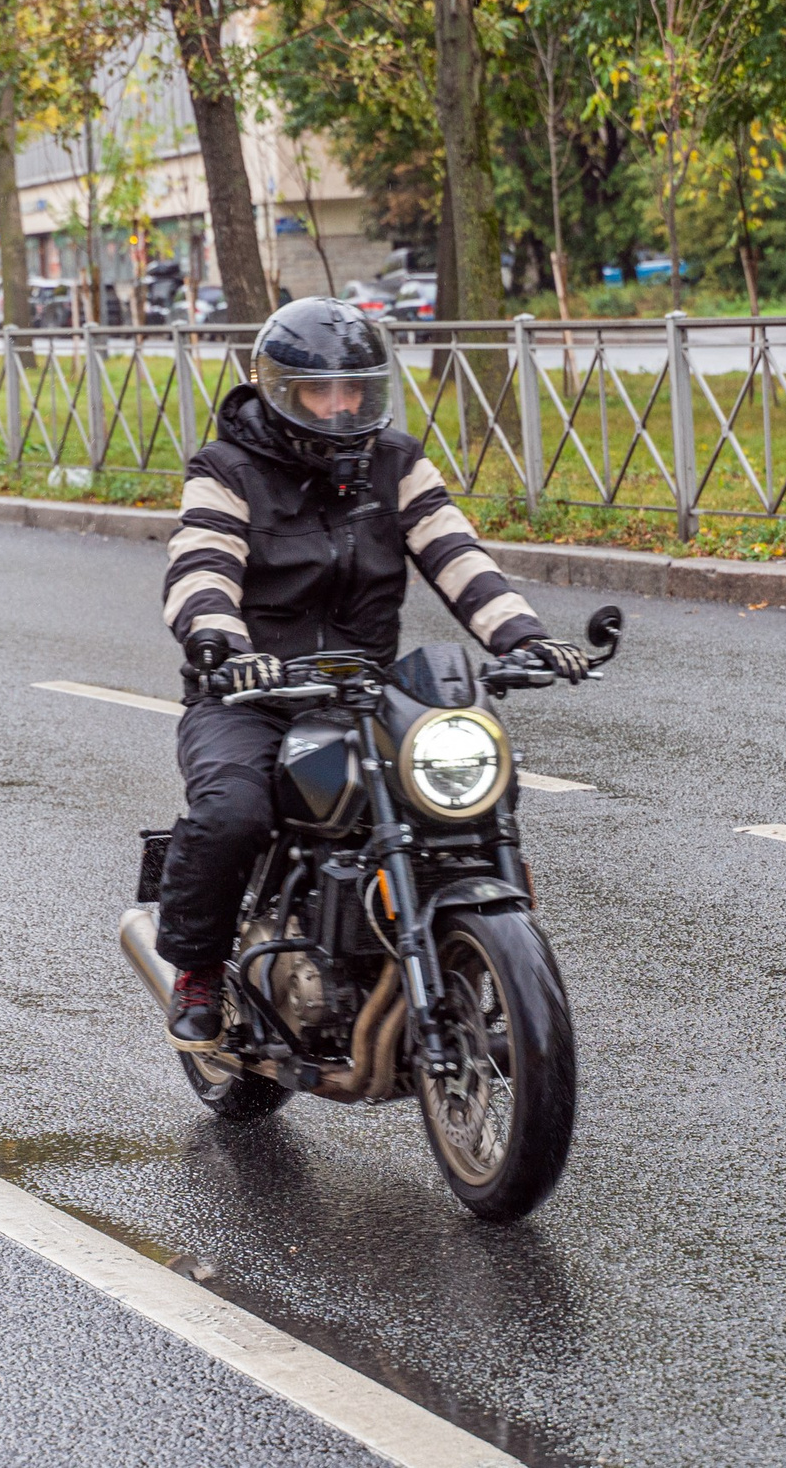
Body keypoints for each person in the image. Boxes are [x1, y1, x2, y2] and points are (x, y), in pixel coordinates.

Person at [154, 298, 589, 1049]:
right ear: (279, 389)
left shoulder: (396, 461)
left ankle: (485, 935)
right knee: (231, 811)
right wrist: (220, 644)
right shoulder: (226, 468)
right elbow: (200, 568)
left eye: (355, 389)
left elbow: (457, 555)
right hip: (251, 691)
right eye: (321, 391)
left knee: (468, 769)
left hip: (364, 688)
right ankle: (196, 965)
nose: (341, 405)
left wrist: (525, 636)